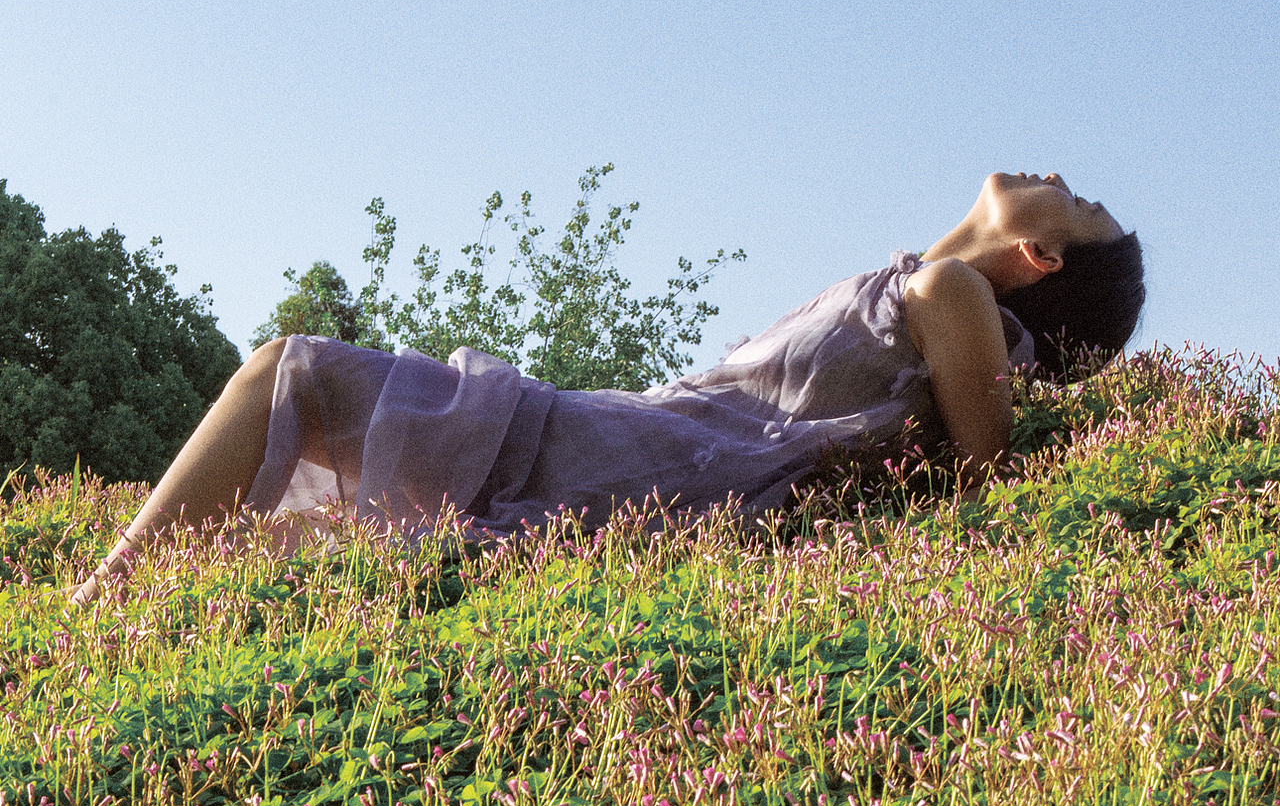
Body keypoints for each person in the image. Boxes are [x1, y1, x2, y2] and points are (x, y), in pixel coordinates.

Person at [69, 171, 1143, 606]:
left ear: (1042, 257)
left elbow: (988, 470)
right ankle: (108, 614)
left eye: (1078, 199)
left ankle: (88, 616)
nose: (1051, 171)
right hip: (632, 434)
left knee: (289, 371)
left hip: (643, 459)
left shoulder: (951, 290)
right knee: (291, 457)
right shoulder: (920, 277)